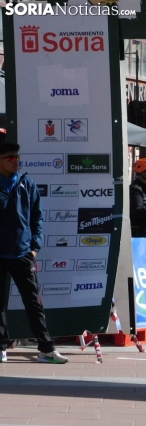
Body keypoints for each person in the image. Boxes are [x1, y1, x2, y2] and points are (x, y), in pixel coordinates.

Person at [0, 142, 67, 364]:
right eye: (10, 157)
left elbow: (37, 217)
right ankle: (1, 347)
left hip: (22, 252)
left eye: (17, 156)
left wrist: (34, 246)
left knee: (33, 303)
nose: (15, 160)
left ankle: (46, 349)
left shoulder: (26, 183)